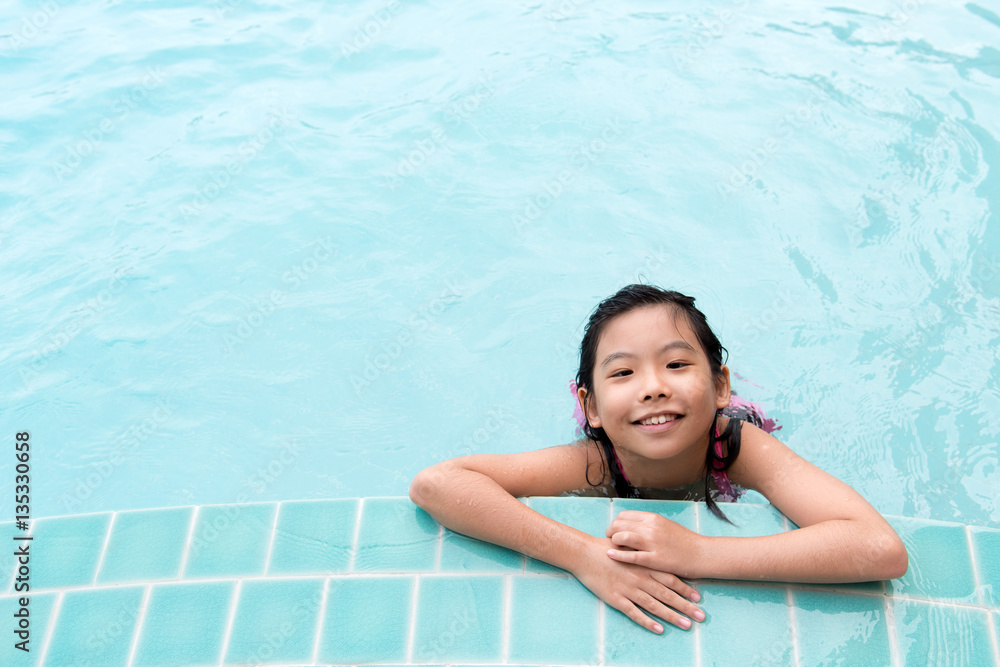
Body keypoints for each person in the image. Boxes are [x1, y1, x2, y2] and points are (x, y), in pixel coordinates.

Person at [409, 284, 908, 635]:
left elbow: (880, 548)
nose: (653, 387)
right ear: (592, 408)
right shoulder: (595, 463)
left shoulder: (738, 448)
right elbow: (439, 484)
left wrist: (697, 553)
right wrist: (586, 557)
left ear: (717, 386)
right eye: (623, 373)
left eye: (676, 364)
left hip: (712, 443)